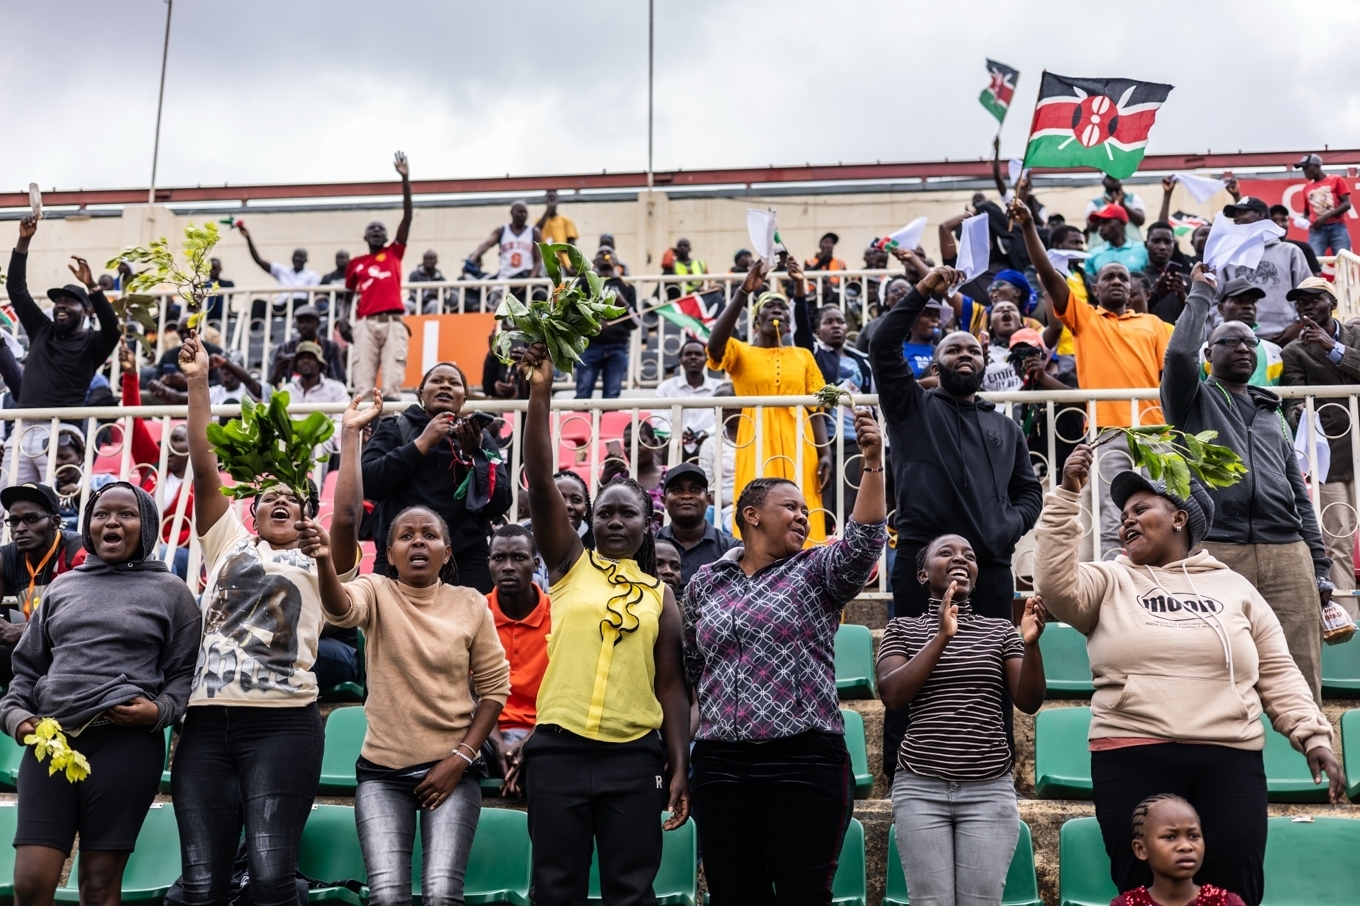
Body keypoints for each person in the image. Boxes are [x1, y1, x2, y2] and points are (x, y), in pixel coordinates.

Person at [1035, 450, 1343, 906]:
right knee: (1144, 893)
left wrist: (1313, 736)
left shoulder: (1235, 588)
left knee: (1234, 890)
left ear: (1180, 517)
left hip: (1228, 756)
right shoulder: (1107, 580)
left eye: (1141, 510)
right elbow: (1056, 583)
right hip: (1132, 751)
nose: (1127, 522)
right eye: (1123, 516)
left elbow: (1278, 670)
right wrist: (1066, 494)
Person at [173, 332, 371, 906]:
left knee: (270, 879)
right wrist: (197, 381)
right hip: (206, 725)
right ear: (251, 512)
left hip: (283, 726)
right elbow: (206, 473)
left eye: (294, 497)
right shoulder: (228, 542)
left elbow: (352, 513)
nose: (281, 502)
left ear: (309, 512)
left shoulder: (318, 550)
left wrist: (351, 436)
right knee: (202, 884)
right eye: (268, 498)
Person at [682, 408, 886, 904]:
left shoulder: (817, 570)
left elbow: (863, 541)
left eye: (806, 511)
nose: (803, 515)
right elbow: (692, 665)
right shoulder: (705, 582)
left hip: (804, 757)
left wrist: (873, 461)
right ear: (751, 515)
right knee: (733, 893)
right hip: (721, 763)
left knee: (803, 893)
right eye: (790, 507)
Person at [518, 339, 690, 906]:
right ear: (589, 520)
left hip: (633, 758)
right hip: (558, 754)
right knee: (555, 890)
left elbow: (670, 686)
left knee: (630, 892)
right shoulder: (568, 564)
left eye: (628, 512)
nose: (615, 521)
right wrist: (540, 393)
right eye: (604, 512)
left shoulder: (661, 595)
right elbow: (541, 482)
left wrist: (679, 764)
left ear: (649, 522)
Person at [0, 482, 200, 906]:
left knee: (98, 885)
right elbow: (27, 670)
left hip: (124, 744)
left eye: (126, 514)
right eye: (100, 514)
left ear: (146, 525)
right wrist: (18, 718)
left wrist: (159, 711)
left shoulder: (173, 592)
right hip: (50, 743)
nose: (111, 522)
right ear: (87, 526)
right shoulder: (62, 587)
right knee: (31, 882)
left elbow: (184, 675)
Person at [309, 495, 509, 906]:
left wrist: (460, 758)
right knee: (386, 896)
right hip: (383, 775)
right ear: (390, 554)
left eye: (429, 535)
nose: (418, 543)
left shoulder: (471, 603)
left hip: (452, 770)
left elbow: (494, 689)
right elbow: (341, 609)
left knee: (440, 894)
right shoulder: (376, 590)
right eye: (406, 536)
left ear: (446, 551)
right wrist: (325, 561)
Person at [1164, 266, 1333, 703]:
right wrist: (1200, 293)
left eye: (1250, 342)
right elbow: (1178, 357)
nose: (1242, 347)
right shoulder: (1191, 400)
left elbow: (1298, 491)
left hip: (1287, 552)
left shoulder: (1271, 409)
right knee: (1220, 670)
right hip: (1218, 550)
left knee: (1300, 673)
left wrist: (1318, 563)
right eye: (1230, 340)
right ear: (1209, 352)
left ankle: (1302, 760)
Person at [866, 262, 1042, 621]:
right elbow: (883, 347)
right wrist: (923, 289)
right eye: (954, 350)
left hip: (990, 566)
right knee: (917, 663)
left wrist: (1006, 525)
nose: (965, 354)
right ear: (936, 366)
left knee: (990, 667)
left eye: (973, 351)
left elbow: (1029, 492)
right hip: (921, 562)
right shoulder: (910, 408)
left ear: (983, 364)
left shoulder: (1005, 427)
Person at [877, 536, 1047, 906]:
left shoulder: (1000, 631)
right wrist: (941, 636)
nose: (960, 559)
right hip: (920, 787)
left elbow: (1028, 700)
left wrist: (1031, 644)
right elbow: (892, 694)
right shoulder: (901, 629)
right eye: (947, 553)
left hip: (989, 790)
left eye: (969, 556)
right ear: (922, 575)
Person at [1015, 199, 1169, 555]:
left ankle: (1155, 588)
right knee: (1114, 518)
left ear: (1132, 290)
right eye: (1107, 277)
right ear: (1095, 290)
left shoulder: (1154, 324)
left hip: (1154, 432)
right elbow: (1050, 276)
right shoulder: (1084, 318)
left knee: (1158, 516)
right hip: (1108, 432)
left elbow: (1173, 375)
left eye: (1123, 277)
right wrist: (1027, 227)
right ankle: (1116, 589)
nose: (1116, 281)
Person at [706, 261, 831, 543]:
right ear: (756, 319)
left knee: (802, 501)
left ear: (789, 321)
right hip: (756, 436)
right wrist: (743, 292)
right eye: (769, 305)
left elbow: (817, 407)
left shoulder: (803, 355)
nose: (777, 309)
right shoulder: (741, 352)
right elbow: (714, 346)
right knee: (759, 501)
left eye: (783, 307)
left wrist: (826, 453)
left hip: (800, 437)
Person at [362, 362, 511, 591]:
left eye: (454, 383)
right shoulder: (395, 427)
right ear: (421, 393)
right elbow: (368, 481)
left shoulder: (478, 438)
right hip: (399, 557)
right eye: (437, 380)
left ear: (464, 399)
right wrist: (421, 444)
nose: (445, 386)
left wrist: (474, 455)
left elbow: (500, 502)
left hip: (466, 559)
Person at [4, 217, 120, 484]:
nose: (61, 305)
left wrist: (93, 288)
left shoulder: (93, 344)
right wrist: (24, 239)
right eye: (58, 301)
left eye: (70, 301)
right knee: (6, 507)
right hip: (21, 428)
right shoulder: (42, 329)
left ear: (87, 310)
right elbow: (17, 290)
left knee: (53, 505)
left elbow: (113, 329)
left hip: (60, 433)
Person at [1281, 277, 1360, 615]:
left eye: (1314, 299)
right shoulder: (1294, 351)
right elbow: (1293, 402)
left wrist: (1333, 347)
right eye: (1300, 302)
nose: (1306, 306)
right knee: (1337, 540)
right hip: (1334, 458)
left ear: (1332, 303)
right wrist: (1298, 413)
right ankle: (1349, 620)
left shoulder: (1356, 336)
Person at [483, 524, 551, 796]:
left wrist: (528, 742)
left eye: (519, 557)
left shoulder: (560, 616)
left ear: (535, 563)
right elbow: (466, 693)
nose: (508, 566)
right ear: (488, 563)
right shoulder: (475, 613)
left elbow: (566, 695)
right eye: (499, 558)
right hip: (486, 733)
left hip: (544, 731)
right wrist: (499, 743)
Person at [794, 299, 875, 517]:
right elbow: (801, 328)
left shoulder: (862, 361)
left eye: (840, 321)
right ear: (817, 331)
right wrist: (800, 290)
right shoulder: (812, 354)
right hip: (824, 439)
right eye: (828, 322)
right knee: (825, 502)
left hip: (854, 438)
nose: (836, 326)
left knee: (851, 501)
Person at [0, 483, 86, 685]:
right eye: (14, 521)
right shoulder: (7, 557)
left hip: (72, 653)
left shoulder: (78, 554)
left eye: (31, 519)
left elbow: (86, 625)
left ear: (55, 522)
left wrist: (23, 630)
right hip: (31, 653)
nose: (20, 528)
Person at [344, 153, 414, 400]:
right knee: (362, 382)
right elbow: (347, 295)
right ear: (365, 237)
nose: (376, 231)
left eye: (380, 229)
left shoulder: (394, 252)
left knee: (393, 383)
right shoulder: (357, 263)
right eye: (371, 229)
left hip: (393, 321)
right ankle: (363, 431)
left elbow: (407, 217)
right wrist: (343, 319)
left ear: (386, 236)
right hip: (365, 323)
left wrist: (405, 180)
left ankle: (390, 428)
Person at [1109, 795, 1248, 906]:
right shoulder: (1125, 904)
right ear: (1141, 849)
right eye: (1170, 837)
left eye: (1194, 836)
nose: (1186, 846)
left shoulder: (1228, 903)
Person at [1219, 197, 1310, 345]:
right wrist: (1226, 329)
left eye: (1242, 212)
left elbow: (1308, 294)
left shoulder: (1290, 252)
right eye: (1234, 215)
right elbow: (1216, 300)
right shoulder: (1228, 255)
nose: (1236, 218)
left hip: (1286, 339)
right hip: (1238, 342)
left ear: (1261, 216)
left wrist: (1299, 324)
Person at [655, 464, 739, 586]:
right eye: (677, 490)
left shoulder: (732, 550)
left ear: (707, 499)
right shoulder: (649, 545)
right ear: (664, 501)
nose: (687, 495)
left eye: (695, 489)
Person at [573, 248, 637, 400]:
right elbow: (573, 313)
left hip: (617, 347)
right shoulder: (584, 282)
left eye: (609, 252)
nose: (605, 254)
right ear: (594, 261)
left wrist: (625, 304)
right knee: (582, 393)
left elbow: (636, 322)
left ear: (616, 262)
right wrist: (593, 321)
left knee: (612, 397)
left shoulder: (627, 287)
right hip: (590, 346)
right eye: (600, 253)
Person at [654, 338, 725, 456]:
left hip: (710, 443)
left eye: (698, 354)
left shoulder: (719, 388)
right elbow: (659, 421)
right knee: (654, 440)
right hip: (673, 444)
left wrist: (707, 433)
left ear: (707, 359)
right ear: (680, 360)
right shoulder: (665, 388)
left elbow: (725, 422)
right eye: (688, 354)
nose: (693, 357)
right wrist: (677, 432)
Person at [1206, 280, 1282, 386]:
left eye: (1252, 301)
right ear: (1221, 308)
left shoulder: (1275, 351)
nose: (1248, 306)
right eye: (1239, 300)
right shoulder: (1202, 352)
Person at [238, 223, 320, 314]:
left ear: (306, 260)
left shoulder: (313, 275)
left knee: (297, 301)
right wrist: (248, 238)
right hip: (282, 307)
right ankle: (254, 328)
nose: (297, 258)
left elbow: (313, 296)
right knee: (257, 304)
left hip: (300, 309)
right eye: (295, 256)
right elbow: (259, 261)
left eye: (301, 256)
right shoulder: (283, 271)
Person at [267, 304, 347, 387]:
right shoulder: (286, 348)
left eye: (308, 321)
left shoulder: (331, 347)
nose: (304, 326)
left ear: (318, 323)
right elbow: (268, 386)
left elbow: (339, 381)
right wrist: (277, 371)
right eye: (300, 322)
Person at [698, 384, 739, 531]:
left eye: (728, 403)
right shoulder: (710, 443)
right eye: (718, 406)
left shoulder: (759, 439)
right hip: (721, 509)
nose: (724, 410)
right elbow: (706, 487)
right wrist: (729, 506)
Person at [470, 201, 543, 281]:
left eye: (525, 212)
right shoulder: (501, 230)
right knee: (494, 293)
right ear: (512, 213)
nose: (523, 215)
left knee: (541, 292)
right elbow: (487, 244)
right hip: (504, 279)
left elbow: (538, 261)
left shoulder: (534, 232)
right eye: (520, 212)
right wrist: (475, 256)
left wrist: (530, 280)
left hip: (525, 277)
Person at [1298, 153, 1352, 257]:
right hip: (1317, 230)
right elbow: (1306, 213)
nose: (1304, 171)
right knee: (1314, 262)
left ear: (1317, 166)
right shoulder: (1306, 188)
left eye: (1306, 168)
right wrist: (1303, 220)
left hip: (1338, 226)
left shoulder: (1336, 179)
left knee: (1345, 261)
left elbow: (1347, 204)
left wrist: (1325, 217)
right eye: (1303, 169)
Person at [1141, 221, 1189, 324]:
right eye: (1156, 241)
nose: (1162, 247)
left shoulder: (1187, 281)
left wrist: (1182, 295)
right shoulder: (1137, 281)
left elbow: (1200, 319)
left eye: (1167, 242)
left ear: (1174, 245)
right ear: (1146, 244)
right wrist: (1155, 297)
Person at [1085, 205, 1149, 276]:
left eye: (1106, 222)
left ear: (1122, 223)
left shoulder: (1144, 250)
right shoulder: (1093, 255)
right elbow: (1089, 283)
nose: (1100, 228)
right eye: (1099, 224)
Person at [1085, 175, 1147, 242]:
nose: (1115, 179)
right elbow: (1090, 227)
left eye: (1117, 176)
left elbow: (1141, 220)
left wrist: (1123, 205)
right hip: (1102, 249)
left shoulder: (1133, 198)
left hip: (1133, 247)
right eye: (1110, 177)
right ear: (1103, 181)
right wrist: (1110, 207)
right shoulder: (1094, 202)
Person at [1269, 204, 1322, 275]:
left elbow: (1315, 278)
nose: (1280, 224)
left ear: (1289, 221)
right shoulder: (1259, 250)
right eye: (1274, 220)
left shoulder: (1304, 248)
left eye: (1284, 220)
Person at [537, 189, 579, 271]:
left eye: (554, 197)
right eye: (549, 197)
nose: (551, 200)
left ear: (558, 199)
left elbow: (572, 246)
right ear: (544, 200)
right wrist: (548, 211)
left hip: (562, 264)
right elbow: (534, 234)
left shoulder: (567, 221)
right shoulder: (539, 220)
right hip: (542, 263)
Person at [804, 232, 846, 301]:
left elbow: (845, 282)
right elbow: (809, 276)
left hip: (836, 296)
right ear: (820, 246)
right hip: (814, 296)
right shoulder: (809, 261)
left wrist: (833, 285)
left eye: (831, 243)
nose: (829, 245)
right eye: (826, 242)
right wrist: (822, 259)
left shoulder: (840, 263)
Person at [407, 250, 446, 314]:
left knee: (435, 304)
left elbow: (443, 296)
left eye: (431, 259)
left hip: (429, 305)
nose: (428, 261)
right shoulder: (414, 275)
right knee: (406, 305)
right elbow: (413, 294)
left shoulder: (440, 279)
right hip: (415, 304)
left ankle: (432, 323)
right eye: (426, 258)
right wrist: (429, 296)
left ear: (436, 261)